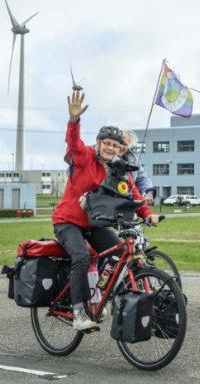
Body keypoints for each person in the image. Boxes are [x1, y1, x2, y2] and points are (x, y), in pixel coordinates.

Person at [53, 91, 160, 332]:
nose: (111, 148)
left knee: (120, 252)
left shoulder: (117, 169)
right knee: (81, 257)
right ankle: (79, 312)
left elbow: (132, 193)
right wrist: (73, 120)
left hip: (95, 223)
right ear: (99, 143)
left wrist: (147, 214)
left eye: (115, 145)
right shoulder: (85, 157)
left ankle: (98, 294)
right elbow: (73, 143)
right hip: (68, 222)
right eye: (107, 143)